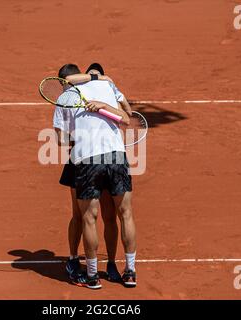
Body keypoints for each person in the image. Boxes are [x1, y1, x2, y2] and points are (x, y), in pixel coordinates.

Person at [54, 64, 137, 289]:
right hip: (115, 157)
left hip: (86, 160)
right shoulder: (104, 85)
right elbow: (127, 117)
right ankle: (129, 271)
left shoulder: (66, 97)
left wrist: (78, 136)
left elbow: (61, 141)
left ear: (64, 81)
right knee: (123, 214)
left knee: (88, 217)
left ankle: (92, 275)